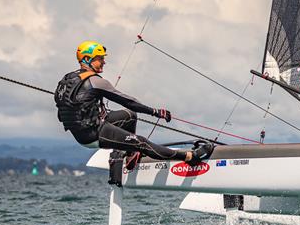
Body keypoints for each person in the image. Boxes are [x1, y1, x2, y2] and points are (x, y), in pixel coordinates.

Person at [55, 40, 212, 167]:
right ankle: (189, 156)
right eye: (100, 59)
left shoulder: (68, 79)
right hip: (93, 134)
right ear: (88, 59)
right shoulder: (96, 81)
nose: (104, 62)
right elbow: (128, 101)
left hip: (83, 131)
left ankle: (129, 153)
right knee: (142, 143)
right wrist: (155, 112)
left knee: (129, 116)